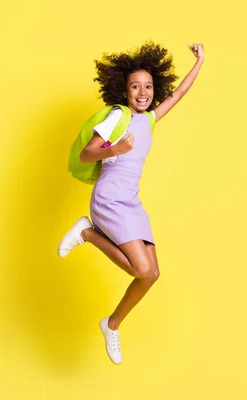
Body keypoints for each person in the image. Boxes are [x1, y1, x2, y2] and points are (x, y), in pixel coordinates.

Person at [58, 41, 205, 364]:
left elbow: (178, 95)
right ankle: (87, 233)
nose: (143, 92)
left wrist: (200, 61)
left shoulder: (149, 120)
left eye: (148, 86)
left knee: (151, 274)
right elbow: (87, 153)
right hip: (110, 198)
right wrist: (115, 150)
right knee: (140, 268)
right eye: (135, 86)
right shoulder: (117, 115)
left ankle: (111, 325)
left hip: (131, 202)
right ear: (124, 91)